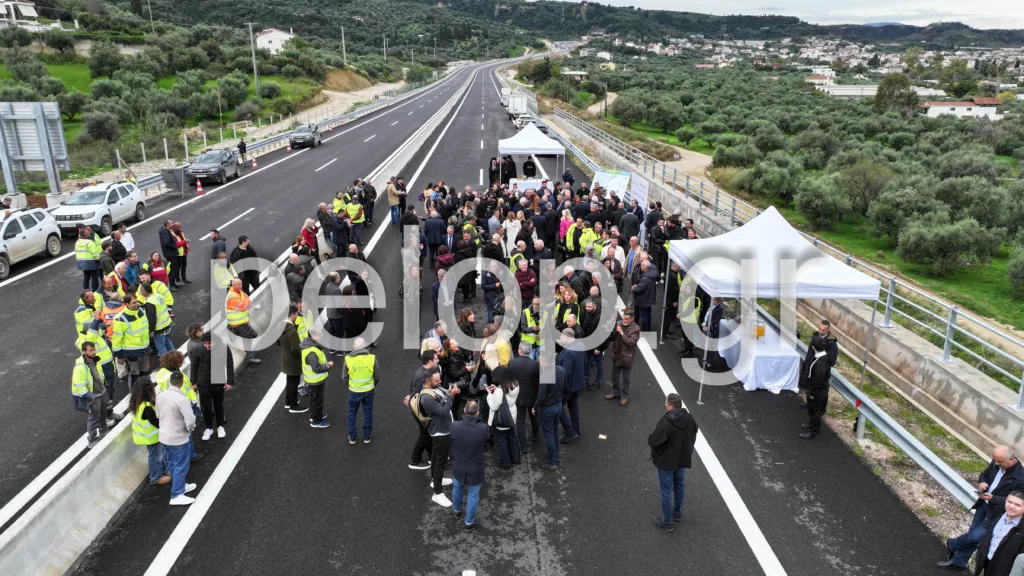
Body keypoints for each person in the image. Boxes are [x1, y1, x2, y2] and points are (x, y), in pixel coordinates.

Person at [941, 446, 1024, 570]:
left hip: (997, 512)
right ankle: (959, 562)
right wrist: (982, 483)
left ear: (1011, 459)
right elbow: (984, 475)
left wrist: (993, 498)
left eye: (999, 461)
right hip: (983, 505)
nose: (995, 463)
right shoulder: (997, 462)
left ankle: (952, 544)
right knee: (973, 535)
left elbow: (1016, 501)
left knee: (975, 536)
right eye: (994, 459)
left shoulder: (1021, 478)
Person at [648, 393, 698, 532]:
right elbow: (694, 435)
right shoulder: (690, 419)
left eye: (666, 403)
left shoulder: (666, 423)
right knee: (680, 486)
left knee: (666, 491)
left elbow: (654, 442)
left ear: (670, 407)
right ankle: (677, 513)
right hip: (682, 460)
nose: (665, 405)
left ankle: (667, 522)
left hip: (666, 463)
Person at [156, 371, 198, 506]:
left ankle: (181, 485)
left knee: (172, 464)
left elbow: (158, 414)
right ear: (180, 382)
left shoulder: (160, 396)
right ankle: (176, 494)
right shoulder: (182, 399)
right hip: (178, 438)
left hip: (164, 437)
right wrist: (189, 429)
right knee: (181, 465)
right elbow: (190, 420)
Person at [187, 325, 234, 440]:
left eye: (210, 343)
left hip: (218, 382)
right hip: (203, 383)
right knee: (205, 407)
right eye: (205, 343)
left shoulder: (224, 348)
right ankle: (209, 428)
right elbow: (194, 366)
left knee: (218, 405)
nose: (207, 346)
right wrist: (193, 382)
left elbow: (229, 364)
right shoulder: (198, 349)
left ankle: (220, 426)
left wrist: (230, 382)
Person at [450, 400, 490, 531]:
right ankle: (469, 522)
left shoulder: (455, 426)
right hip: (475, 468)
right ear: (477, 413)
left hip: (458, 465)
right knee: (473, 495)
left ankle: (456, 510)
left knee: (457, 488)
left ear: (465, 411)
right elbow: (487, 438)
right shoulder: (483, 428)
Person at [420, 370, 457, 507]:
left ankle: (436, 479)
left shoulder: (435, 388)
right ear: (428, 382)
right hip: (440, 432)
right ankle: (437, 493)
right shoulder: (427, 398)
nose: (440, 382)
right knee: (440, 460)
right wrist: (451, 397)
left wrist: (449, 393)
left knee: (436, 456)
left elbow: (443, 400)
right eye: (437, 381)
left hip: (442, 430)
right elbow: (443, 412)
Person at [129, 376, 169, 486]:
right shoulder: (146, 407)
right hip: (152, 438)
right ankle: (155, 477)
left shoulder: (136, 403)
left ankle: (165, 471)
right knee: (156, 456)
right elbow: (156, 422)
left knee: (160, 454)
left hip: (147, 437)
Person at [975, 491, 1024, 576]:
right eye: (1009, 502)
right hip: (987, 562)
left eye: (1017, 505)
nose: (1011, 506)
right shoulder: (997, 515)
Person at [405, 351, 439, 470]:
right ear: (430, 361)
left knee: (427, 431)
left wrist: (410, 396)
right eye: (436, 358)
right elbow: (416, 391)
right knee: (425, 433)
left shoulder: (419, 371)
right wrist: (411, 398)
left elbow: (412, 388)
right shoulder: (423, 376)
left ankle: (431, 455)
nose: (438, 360)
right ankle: (414, 460)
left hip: (419, 407)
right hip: (420, 409)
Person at [72, 341, 110, 448]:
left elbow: (99, 375)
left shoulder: (95, 360)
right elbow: (79, 386)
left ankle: (104, 430)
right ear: (84, 352)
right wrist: (91, 397)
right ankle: (92, 439)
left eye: (94, 349)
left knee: (103, 414)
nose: (94, 352)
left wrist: (104, 387)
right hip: (93, 397)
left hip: (101, 392)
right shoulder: (80, 367)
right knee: (93, 418)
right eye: (91, 350)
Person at [342, 337, 378, 443]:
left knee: (352, 413)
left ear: (354, 347)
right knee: (368, 412)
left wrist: (351, 385)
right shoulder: (372, 358)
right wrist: (372, 384)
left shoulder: (348, 359)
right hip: (369, 391)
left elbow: (344, 377)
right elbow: (377, 376)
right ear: (365, 347)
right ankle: (366, 437)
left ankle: (352, 437)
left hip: (354, 391)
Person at [534, 352, 565, 470]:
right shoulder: (561, 370)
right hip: (558, 405)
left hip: (548, 408)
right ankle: (555, 455)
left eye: (540, 360)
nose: (539, 361)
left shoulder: (545, 375)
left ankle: (552, 462)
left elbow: (541, 396)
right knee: (555, 431)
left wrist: (535, 407)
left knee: (548, 434)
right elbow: (564, 386)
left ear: (546, 362)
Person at [486, 368, 520, 469]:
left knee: (501, 441)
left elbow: (494, 406)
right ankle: (515, 458)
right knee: (512, 437)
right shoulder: (515, 383)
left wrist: (489, 394)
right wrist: (496, 390)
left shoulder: (500, 391)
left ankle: (505, 463)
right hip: (511, 415)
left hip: (502, 418)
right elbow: (506, 397)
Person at [302, 324, 334, 428]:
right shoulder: (312, 352)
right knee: (317, 400)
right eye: (320, 335)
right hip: (316, 381)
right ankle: (316, 421)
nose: (321, 336)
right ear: (313, 336)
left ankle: (315, 415)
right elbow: (316, 368)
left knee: (314, 399)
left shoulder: (308, 346)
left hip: (312, 380)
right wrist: (328, 366)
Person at [607, 309, 641, 406]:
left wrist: (622, 333)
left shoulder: (636, 329)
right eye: (623, 318)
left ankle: (624, 396)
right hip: (617, 354)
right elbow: (612, 337)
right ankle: (616, 392)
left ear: (632, 319)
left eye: (626, 319)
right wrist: (610, 326)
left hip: (627, 357)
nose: (624, 320)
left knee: (626, 379)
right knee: (614, 376)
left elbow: (631, 342)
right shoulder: (619, 323)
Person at [226, 278, 261, 364]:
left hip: (243, 321)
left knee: (254, 334)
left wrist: (246, 300)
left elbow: (246, 298)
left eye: (241, 284)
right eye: (239, 285)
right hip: (237, 323)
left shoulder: (239, 291)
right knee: (247, 337)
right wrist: (246, 301)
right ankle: (249, 357)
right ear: (233, 286)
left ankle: (233, 330)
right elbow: (244, 306)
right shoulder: (232, 297)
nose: (241, 286)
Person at [279, 305, 307, 414]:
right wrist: (304, 352)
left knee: (290, 381)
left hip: (285, 357)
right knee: (294, 383)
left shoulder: (282, 327)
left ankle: (288, 401)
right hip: (293, 361)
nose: (296, 316)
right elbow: (295, 349)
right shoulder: (292, 331)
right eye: (295, 314)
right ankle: (293, 405)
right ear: (292, 315)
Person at [631, 260, 658, 331]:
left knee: (644, 316)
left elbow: (639, 289)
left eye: (642, 265)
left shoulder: (645, 278)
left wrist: (634, 288)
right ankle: (648, 327)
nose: (640, 267)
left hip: (643, 299)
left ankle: (645, 329)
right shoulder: (652, 275)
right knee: (648, 314)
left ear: (644, 267)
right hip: (649, 298)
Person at [75, 226, 102, 291]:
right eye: (88, 233)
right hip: (92, 263)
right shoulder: (90, 243)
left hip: (82, 263)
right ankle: (95, 290)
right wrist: (98, 260)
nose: (89, 233)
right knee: (94, 278)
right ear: (84, 235)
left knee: (86, 277)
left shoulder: (77, 243)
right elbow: (95, 254)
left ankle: (86, 289)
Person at [701, 297, 724, 370]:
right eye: (713, 299)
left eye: (715, 299)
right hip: (707, 327)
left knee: (711, 345)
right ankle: (708, 359)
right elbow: (707, 315)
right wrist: (704, 323)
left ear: (719, 300)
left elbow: (715, 321)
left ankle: (710, 362)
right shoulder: (712, 306)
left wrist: (706, 325)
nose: (713, 301)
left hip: (712, 330)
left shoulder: (719, 309)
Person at [159, 220, 181, 287]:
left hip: (170, 253)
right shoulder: (165, 233)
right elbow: (166, 243)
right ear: (168, 225)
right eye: (171, 223)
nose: (173, 224)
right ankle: (171, 285)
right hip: (170, 254)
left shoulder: (166, 232)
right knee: (173, 269)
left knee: (173, 269)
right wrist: (174, 247)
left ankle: (173, 283)